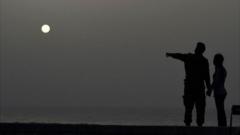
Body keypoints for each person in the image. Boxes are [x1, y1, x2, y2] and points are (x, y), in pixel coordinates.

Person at [166, 42, 211, 126]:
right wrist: (209, 88)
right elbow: (207, 77)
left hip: (192, 87)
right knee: (197, 108)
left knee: (191, 108)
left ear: (199, 49)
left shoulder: (191, 58)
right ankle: (196, 125)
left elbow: (179, 55)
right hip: (197, 88)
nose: (195, 48)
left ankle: (190, 125)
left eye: (197, 47)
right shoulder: (203, 60)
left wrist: (170, 54)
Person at [207, 53, 227, 127]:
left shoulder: (220, 70)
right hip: (220, 92)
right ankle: (222, 125)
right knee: (220, 110)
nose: (213, 61)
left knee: (220, 111)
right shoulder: (220, 69)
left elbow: (216, 82)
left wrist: (210, 90)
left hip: (219, 93)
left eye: (214, 59)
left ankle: (222, 126)